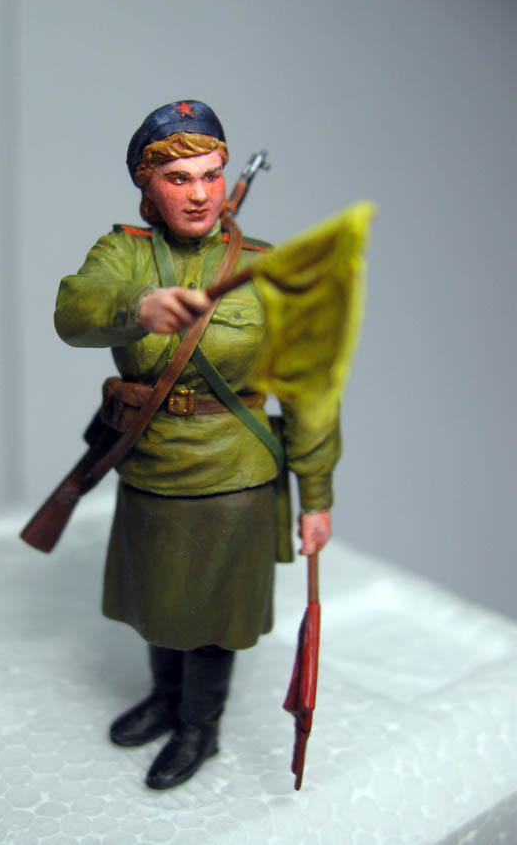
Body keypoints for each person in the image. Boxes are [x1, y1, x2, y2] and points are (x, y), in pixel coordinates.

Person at [53, 100, 340, 790]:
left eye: (211, 175)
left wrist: (316, 496)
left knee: (213, 615)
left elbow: (310, 391)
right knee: (158, 599)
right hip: (150, 463)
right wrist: (138, 306)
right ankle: (164, 699)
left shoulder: (267, 268)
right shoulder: (125, 253)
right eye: (178, 178)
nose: (200, 193)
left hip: (233, 474)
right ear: (147, 185)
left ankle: (199, 726)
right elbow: (73, 310)